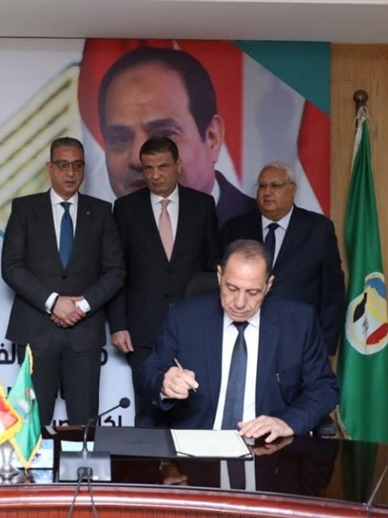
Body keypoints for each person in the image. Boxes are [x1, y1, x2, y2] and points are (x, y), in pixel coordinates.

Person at [140, 239, 338, 441]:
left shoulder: (299, 322)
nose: (240, 303)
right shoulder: (184, 317)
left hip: (266, 444)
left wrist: (287, 422)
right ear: (219, 276)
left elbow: (324, 387)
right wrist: (164, 384)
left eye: (253, 292)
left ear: (268, 285)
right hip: (197, 441)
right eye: (232, 288)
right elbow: (150, 372)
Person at [2, 137, 125, 425]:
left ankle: (81, 461)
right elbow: (11, 267)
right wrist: (53, 302)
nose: (71, 173)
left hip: (84, 334)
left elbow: (115, 271)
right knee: (33, 425)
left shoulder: (102, 211)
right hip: (35, 331)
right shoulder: (24, 209)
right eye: (63, 165)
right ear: (50, 168)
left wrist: (81, 306)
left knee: (84, 427)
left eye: (77, 166)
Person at [108, 136, 220, 426]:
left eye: (163, 167)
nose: (155, 175)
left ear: (178, 165)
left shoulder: (202, 205)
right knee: (148, 415)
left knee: (197, 412)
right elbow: (117, 271)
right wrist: (118, 325)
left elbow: (212, 270)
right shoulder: (125, 209)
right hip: (143, 331)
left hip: (194, 327)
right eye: (148, 168)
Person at [97, 46, 255, 227]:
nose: (138, 159)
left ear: (212, 139)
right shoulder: (99, 234)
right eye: (119, 138)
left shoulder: (264, 230)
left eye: (163, 135)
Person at [221, 161, 345, 356]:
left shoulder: (318, 229)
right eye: (262, 186)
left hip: (299, 338)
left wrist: (324, 346)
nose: (267, 192)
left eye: (275, 185)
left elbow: (332, 293)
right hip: (244, 338)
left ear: (292, 189)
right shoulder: (236, 228)